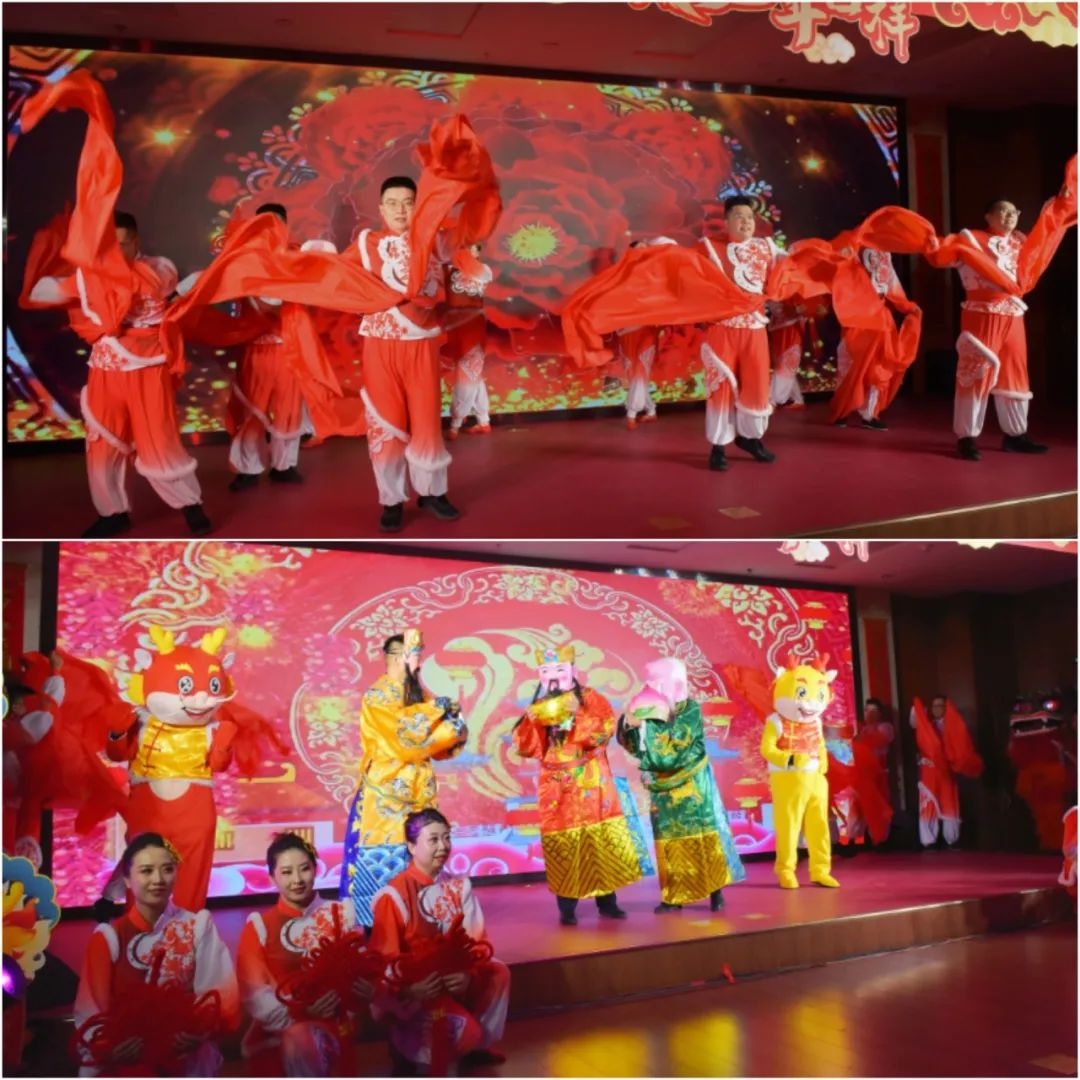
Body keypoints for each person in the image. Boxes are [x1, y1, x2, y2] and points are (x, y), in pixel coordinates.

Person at [17, 73, 211, 539]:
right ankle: (112, 510)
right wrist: (56, 255)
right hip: (107, 370)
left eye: (124, 242)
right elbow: (40, 293)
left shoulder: (157, 269)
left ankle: (190, 506)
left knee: (160, 439)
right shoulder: (89, 277)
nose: (117, 249)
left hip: (148, 371)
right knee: (102, 439)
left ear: (136, 242)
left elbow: (173, 288)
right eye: (111, 242)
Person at [924, 167, 1075, 460]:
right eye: (1003, 211)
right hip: (982, 313)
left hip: (1013, 314)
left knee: (1015, 374)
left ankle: (1016, 435)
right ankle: (967, 437)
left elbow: (1045, 237)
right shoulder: (971, 239)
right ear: (988, 216)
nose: (1009, 216)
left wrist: (1060, 204)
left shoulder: (1019, 242)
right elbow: (943, 258)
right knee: (975, 372)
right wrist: (933, 246)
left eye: (1014, 212)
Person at [72, 832, 238, 1077]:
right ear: (127, 880)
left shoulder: (197, 927)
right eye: (146, 871)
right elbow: (90, 1011)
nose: (158, 879)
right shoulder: (109, 938)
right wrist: (112, 1049)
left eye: (167, 869)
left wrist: (200, 1032)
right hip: (126, 1063)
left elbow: (220, 993)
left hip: (185, 1058)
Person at [350, 176, 459, 533]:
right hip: (380, 344)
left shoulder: (436, 241)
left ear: (419, 207)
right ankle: (391, 499)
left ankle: (432, 492)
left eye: (408, 202)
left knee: (427, 420)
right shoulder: (366, 243)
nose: (400, 210)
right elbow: (336, 278)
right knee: (386, 422)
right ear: (381, 209)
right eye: (392, 203)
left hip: (422, 344)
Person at [339, 629, 468, 926]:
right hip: (386, 791)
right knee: (385, 856)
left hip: (419, 790)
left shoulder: (420, 695)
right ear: (398, 658)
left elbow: (443, 740)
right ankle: (379, 926)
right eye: (415, 655)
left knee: (423, 856)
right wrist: (439, 710)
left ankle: (423, 920)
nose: (419, 661)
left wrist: (452, 721)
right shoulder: (378, 695)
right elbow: (405, 736)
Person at [512, 643, 646, 925]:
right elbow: (527, 748)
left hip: (590, 780)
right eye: (546, 671)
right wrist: (531, 723)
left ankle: (608, 903)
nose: (553, 676)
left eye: (560, 669)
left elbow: (604, 732)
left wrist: (580, 713)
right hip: (556, 786)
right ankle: (567, 907)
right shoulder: (539, 706)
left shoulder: (590, 698)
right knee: (564, 844)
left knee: (600, 841)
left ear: (573, 670)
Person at [369, 809, 509, 1076]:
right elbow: (382, 962)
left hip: (452, 983)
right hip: (417, 996)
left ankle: (478, 1045)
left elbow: (476, 941)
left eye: (447, 838)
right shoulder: (394, 895)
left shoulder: (458, 887)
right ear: (411, 846)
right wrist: (410, 989)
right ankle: (406, 1046)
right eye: (433, 839)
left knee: (498, 972)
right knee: (463, 1035)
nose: (443, 846)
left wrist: (468, 973)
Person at [237, 833, 376, 1076]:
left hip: (337, 1026)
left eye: (304, 869)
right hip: (284, 1036)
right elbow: (255, 993)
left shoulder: (341, 913)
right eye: (286, 872)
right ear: (271, 878)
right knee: (302, 1041)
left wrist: (363, 990)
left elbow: (362, 969)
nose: (297, 880)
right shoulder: (260, 926)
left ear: (316, 869)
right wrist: (300, 1013)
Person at [618, 658, 745, 913]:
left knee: (704, 838)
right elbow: (635, 747)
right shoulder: (648, 707)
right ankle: (673, 896)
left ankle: (715, 892)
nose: (650, 685)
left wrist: (653, 721)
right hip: (663, 790)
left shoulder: (690, 710)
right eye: (648, 680)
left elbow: (677, 747)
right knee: (668, 841)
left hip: (693, 786)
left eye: (656, 680)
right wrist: (629, 725)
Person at [224, 203, 336, 491]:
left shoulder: (297, 257)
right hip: (255, 348)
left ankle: (284, 466)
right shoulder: (243, 260)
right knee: (252, 410)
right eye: (265, 224)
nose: (271, 231)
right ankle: (247, 469)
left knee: (289, 409)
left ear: (285, 227)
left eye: (277, 225)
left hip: (290, 348)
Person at [697, 195, 788, 471]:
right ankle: (718, 446)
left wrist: (833, 255)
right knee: (721, 386)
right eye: (739, 216)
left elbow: (796, 264)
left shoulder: (767, 247)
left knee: (757, 383)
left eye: (750, 217)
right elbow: (681, 269)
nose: (746, 222)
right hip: (722, 329)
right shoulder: (709, 248)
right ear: (726, 222)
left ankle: (750, 438)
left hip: (755, 328)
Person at [760, 656, 840, 889]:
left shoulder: (816, 722)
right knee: (789, 826)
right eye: (803, 693)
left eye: (819, 696)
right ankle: (785, 870)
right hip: (789, 779)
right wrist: (791, 759)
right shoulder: (776, 721)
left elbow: (820, 744)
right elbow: (767, 749)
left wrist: (823, 762)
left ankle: (820, 870)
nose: (812, 704)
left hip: (815, 780)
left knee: (819, 827)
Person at [828, 246, 922, 430]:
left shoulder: (885, 253)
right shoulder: (856, 248)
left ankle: (870, 414)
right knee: (851, 365)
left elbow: (892, 285)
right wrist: (845, 257)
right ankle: (843, 410)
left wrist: (907, 306)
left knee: (879, 366)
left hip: (881, 318)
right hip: (857, 317)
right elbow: (843, 279)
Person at [909, 695, 984, 848]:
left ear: (946, 708)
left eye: (940, 705)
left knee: (949, 803)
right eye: (934, 706)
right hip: (929, 771)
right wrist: (918, 709)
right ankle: (929, 841)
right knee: (928, 804)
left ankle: (951, 839)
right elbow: (914, 722)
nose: (936, 709)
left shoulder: (953, 726)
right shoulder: (927, 727)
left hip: (946, 771)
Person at [443, 243, 494, 439]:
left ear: (478, 252)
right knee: (473, 373)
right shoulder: (449, 269)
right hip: (455, 324)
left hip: (473, 322)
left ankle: (456, 422)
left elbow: (476, 272)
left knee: (467, 371)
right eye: (465, 247)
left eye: (473, 248)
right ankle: (483, 420)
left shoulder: (484, 270)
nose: (469, 251)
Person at [767, 298, 807, 409]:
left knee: (785, 366)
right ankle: (798, 399)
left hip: (792, 331)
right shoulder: (775, 293)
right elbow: (774, 309)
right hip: (778, 330)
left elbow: (804, 309)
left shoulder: (795, 295)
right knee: (783, 366)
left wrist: (797, 309)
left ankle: (773, 399)